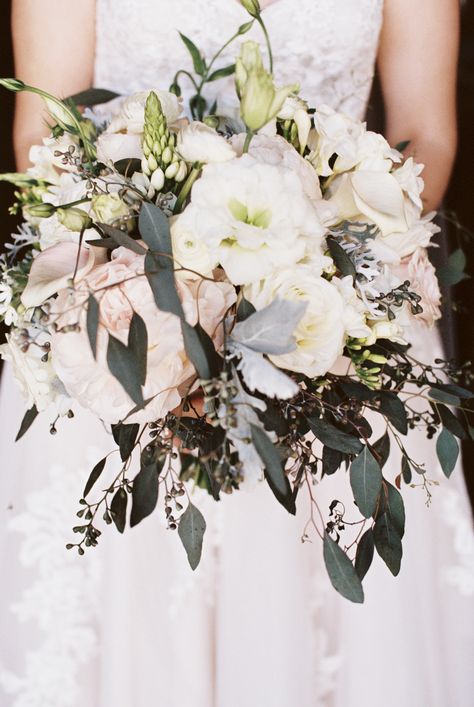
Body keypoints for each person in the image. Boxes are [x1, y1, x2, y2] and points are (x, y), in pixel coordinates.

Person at [1, 1, 472, 706]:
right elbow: (45, 130)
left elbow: (421, 130)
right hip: (131, 330)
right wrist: (172, 292)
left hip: (336, 326)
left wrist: (324, 273)